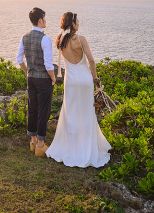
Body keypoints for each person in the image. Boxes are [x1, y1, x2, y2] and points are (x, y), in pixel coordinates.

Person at [44, 12, 111, 167]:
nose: (79, 23)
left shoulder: (59, 39)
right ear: (73, 24)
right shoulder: (80, 39)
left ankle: (71, 146)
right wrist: (96, 80)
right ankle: (86, 147)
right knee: (86, 112)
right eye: (77, 21)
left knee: (71, 112)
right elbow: (92, 60)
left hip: (71, 81)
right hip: (85, 80)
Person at [16, 7, 57, 157]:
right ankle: (40, 145)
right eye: (44, 19)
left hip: (31, 78)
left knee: (32, 109)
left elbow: (19, 59)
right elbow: (48, 64)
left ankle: (33, 141)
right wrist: (53, 77)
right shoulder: (45, 39)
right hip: (43, 80)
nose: (45, 21)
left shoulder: (24, 37)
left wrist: (27, 72)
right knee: (43, 111)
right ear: (40, 20)